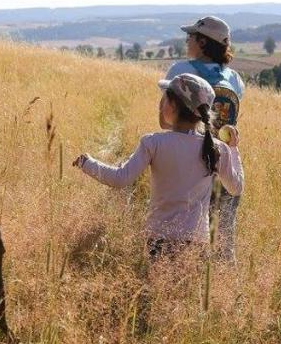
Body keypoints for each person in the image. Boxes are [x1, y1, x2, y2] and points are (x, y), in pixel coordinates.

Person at [73, 73, 243, 260]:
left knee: (158, 288)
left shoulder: (153, 143)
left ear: (171, 105)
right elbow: (236, 188)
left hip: (158, 239)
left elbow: (120, 178)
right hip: (196, 242)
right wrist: (233, 149)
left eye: (164, 97)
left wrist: (87, 163)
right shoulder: (217, 149)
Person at [164, 16, 245, 258]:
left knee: (183, 232)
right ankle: (223, 284)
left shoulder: (180, 71)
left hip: (186, 158)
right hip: (223, 155)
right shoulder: (235, 79)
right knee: (223, 235)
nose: (187, 40)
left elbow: (165, 117)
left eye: (190, 36)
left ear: (202, 42)